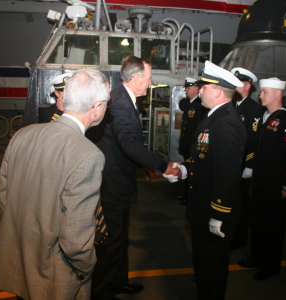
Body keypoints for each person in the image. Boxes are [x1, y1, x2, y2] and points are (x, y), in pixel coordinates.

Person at [0, 69, 110, 300]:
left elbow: (5, 197)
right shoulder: (88, 154)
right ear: (96, 107)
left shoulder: (23, 135)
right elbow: (75, 239)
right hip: (54, 276)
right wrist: (87, 267)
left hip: (19, 258)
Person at [86, 55, 181, 300]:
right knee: (111, 241)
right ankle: (102, 292)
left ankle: (118, 282)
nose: (150, 84)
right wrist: (161, 165)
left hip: (120, 179)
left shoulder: (124, 97)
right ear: (137, 77)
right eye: (148, 79)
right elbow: (127, 143)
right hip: (113, 184)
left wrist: (145, 166)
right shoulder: (119, 102)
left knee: (119, 239)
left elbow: (124, 145)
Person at [182, 60, 246, 299]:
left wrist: (218, 214)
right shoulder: (215, 117)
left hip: (214, 209)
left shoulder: (227, 122)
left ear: (218, 92)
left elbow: (229, 174)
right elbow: (205, 160)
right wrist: (184, 169)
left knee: (213, 268)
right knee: (204, 264)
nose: (200, 91)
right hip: (202, 208)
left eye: (205, 87)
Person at [238, 77, 286, 280]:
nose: (260, 95)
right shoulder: (265, 116)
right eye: (261, 91)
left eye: (265, 91)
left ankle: (270, 266)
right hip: (259, 180)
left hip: (275, 184)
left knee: (273, 227)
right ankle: (256, 257)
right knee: (257, 222)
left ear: (277, 93)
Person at [229, 67, 264, 249]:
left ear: (248, 85)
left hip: (243, 166)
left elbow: (255, 140)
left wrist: (249, 164)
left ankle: (239, 239)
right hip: (232, 165)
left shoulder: (254, 110)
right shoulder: (232, 106)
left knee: (242, 206)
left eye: (239, 82)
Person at [177, 77, 208, 205]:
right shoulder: (190, 104)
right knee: (187, 171)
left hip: (193, 147)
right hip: (187, 146)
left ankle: (191, 197)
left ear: (196, 88)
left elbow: (199, 130)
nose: (186, 90)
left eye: (188, 88)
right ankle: (187, 194)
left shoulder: (199, 106)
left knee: (193, 172)